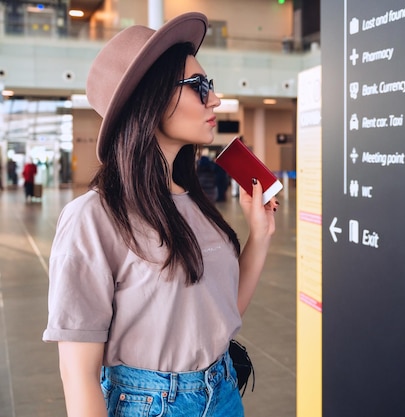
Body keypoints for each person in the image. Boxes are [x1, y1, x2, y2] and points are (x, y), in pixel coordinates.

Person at [42, 12, 278, 417]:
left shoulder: (196, 204)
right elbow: (77, 374)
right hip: (150, 405)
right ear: (149, 98)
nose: (215, 99)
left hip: (222, 393)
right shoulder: (93, 218)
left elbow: (221, 316)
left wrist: (260, 234)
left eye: (211, 86)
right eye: (199, 86)